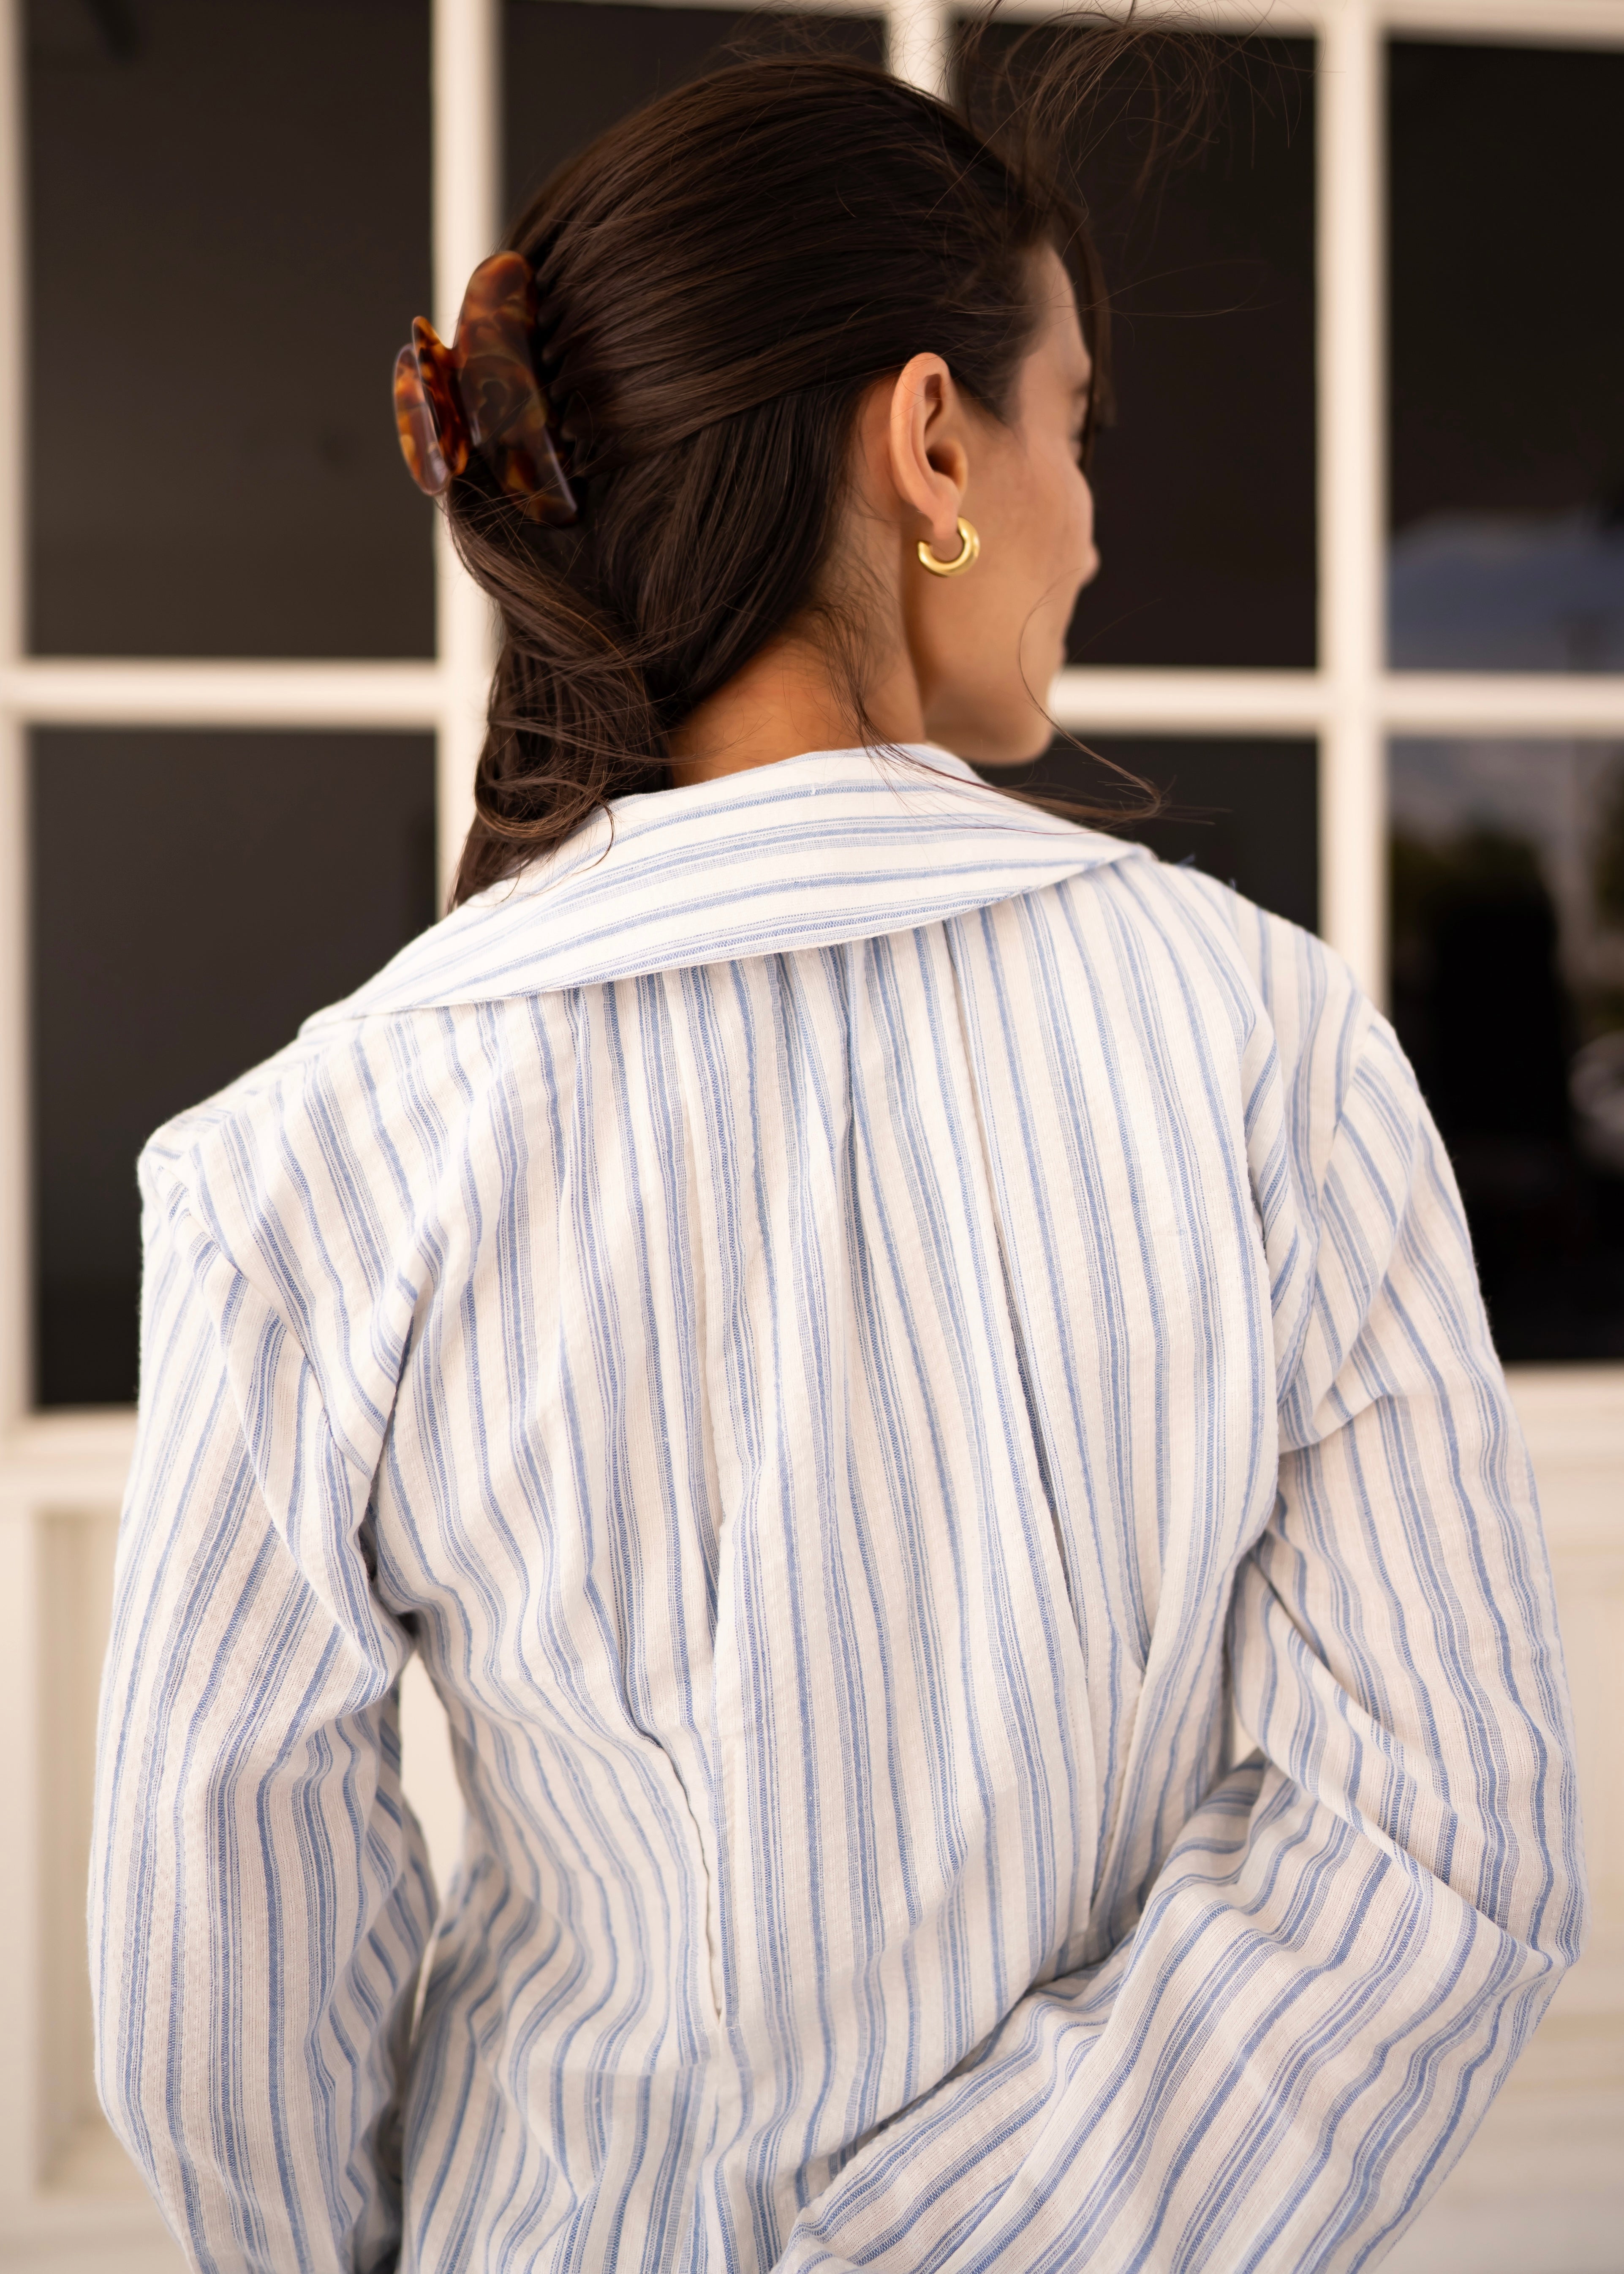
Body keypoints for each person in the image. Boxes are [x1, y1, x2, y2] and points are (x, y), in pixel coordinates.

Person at [90, 39, 1585, 2274]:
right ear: (928, 442)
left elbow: (223, 1989)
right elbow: (1442, 1841)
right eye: (1074, 417)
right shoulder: (1268, 1052)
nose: (1095, 512)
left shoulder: (313, 1157)